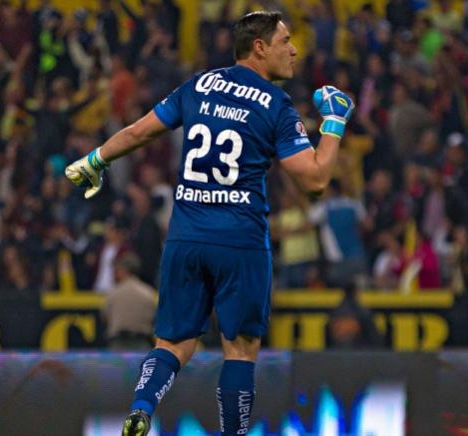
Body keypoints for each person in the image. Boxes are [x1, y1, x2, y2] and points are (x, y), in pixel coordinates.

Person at [64, 11, 355, 436]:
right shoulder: (275, 104)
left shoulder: (198, 85)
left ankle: (142, 408)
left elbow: (137, 133)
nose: (293, 49)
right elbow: (313, 181)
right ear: (259, 47)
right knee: (239, 349)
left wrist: (94, 160)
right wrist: (333, 124)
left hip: (185, 238)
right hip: (240, 241)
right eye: (285, 41)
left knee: (173, 345)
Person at [102, 252, 157, 350]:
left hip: (118, 344)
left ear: (123, 271)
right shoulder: (148, 292)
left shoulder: (114, 293)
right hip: (142, 343)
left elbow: (105, 316)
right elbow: (154, 318)